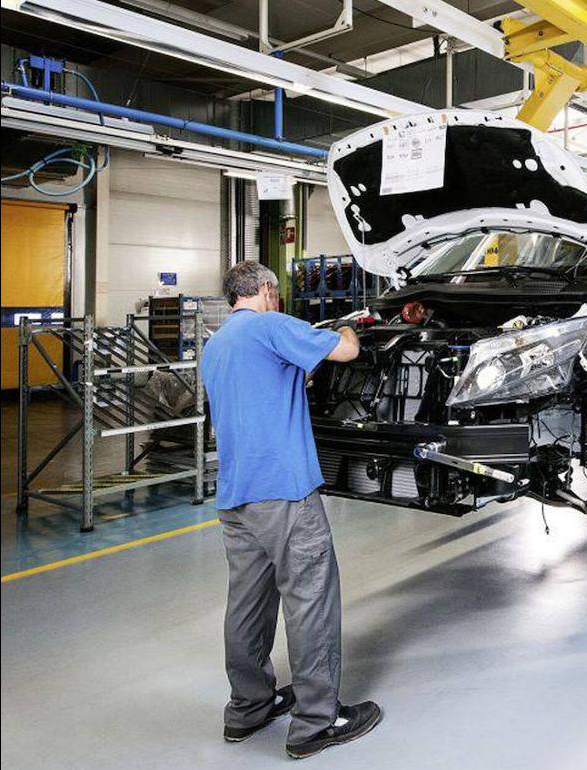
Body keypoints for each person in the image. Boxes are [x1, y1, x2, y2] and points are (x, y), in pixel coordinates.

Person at [201, 261, 382, 760]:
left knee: (247, 604)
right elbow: (347, 350)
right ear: (265, 290)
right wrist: (347, 326)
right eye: (276, 294)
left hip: (236, 495)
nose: (278, 301)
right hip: (283, 491)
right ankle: (317, 722)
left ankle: (248, 708)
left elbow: (266, 389)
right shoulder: (272, 325)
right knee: (310, 597)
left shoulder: (216, 345)